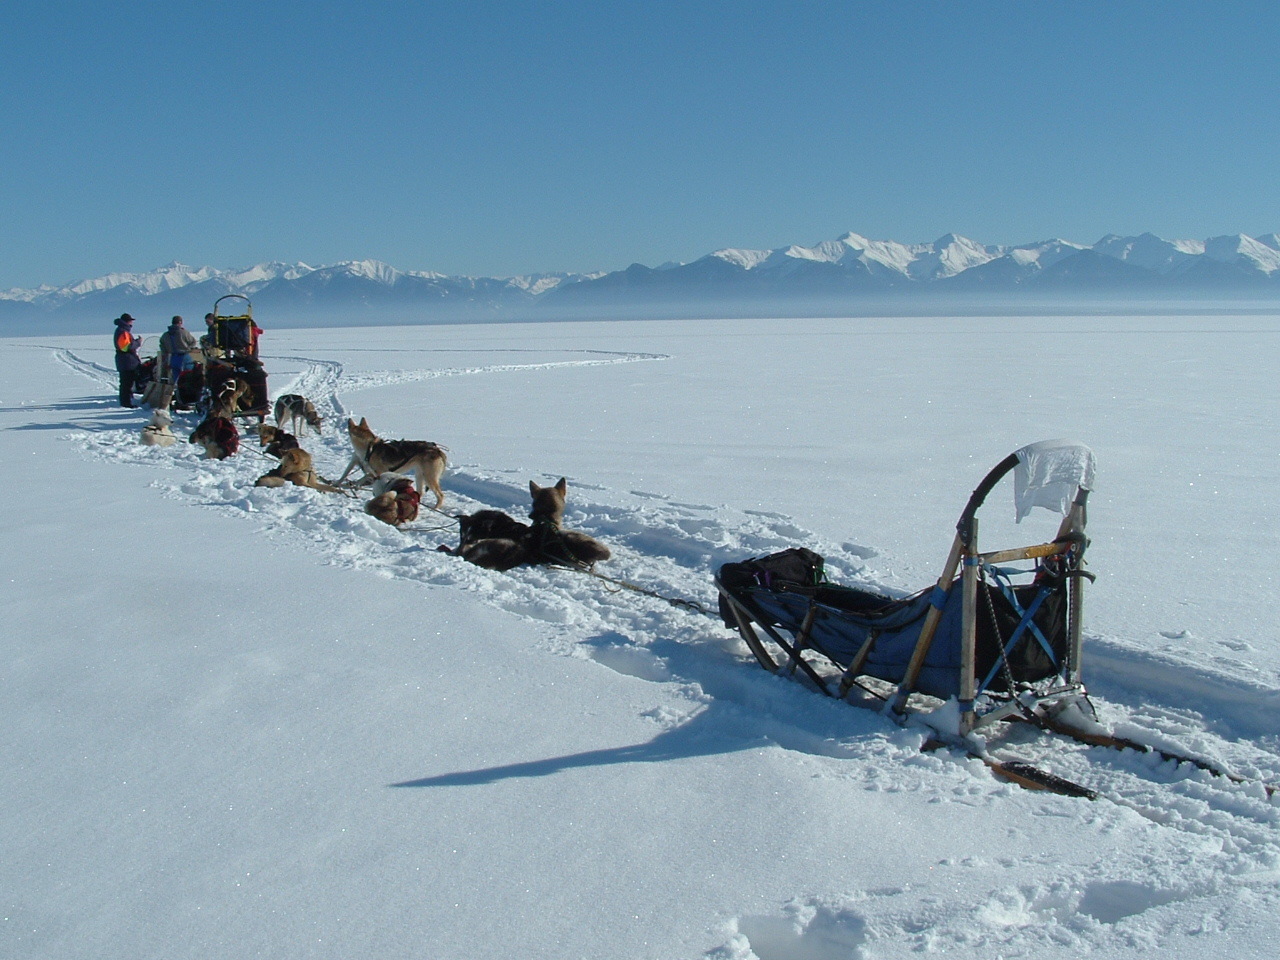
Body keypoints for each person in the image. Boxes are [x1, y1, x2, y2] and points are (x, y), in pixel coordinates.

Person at [112, 314, 142, 407]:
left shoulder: (123, 331)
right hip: (126, 361)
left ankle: (127, 401)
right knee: (126, 383)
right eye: (130, 320)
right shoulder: (123, 331)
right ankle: (126, 403)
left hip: (126, 360)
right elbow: (125, 347)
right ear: (127, 321)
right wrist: (138, 342)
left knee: (128, 382)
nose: (132, 322)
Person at [159, 315, 199, 381]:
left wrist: (166, 353)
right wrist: (189, 348)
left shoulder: (165, 335)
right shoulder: (183, 332)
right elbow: (193, 342)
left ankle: (177, 390)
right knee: (189, 377)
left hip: (173, 358)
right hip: (184, 357)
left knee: (177, 378)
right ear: (180, 322)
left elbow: (162, 345)